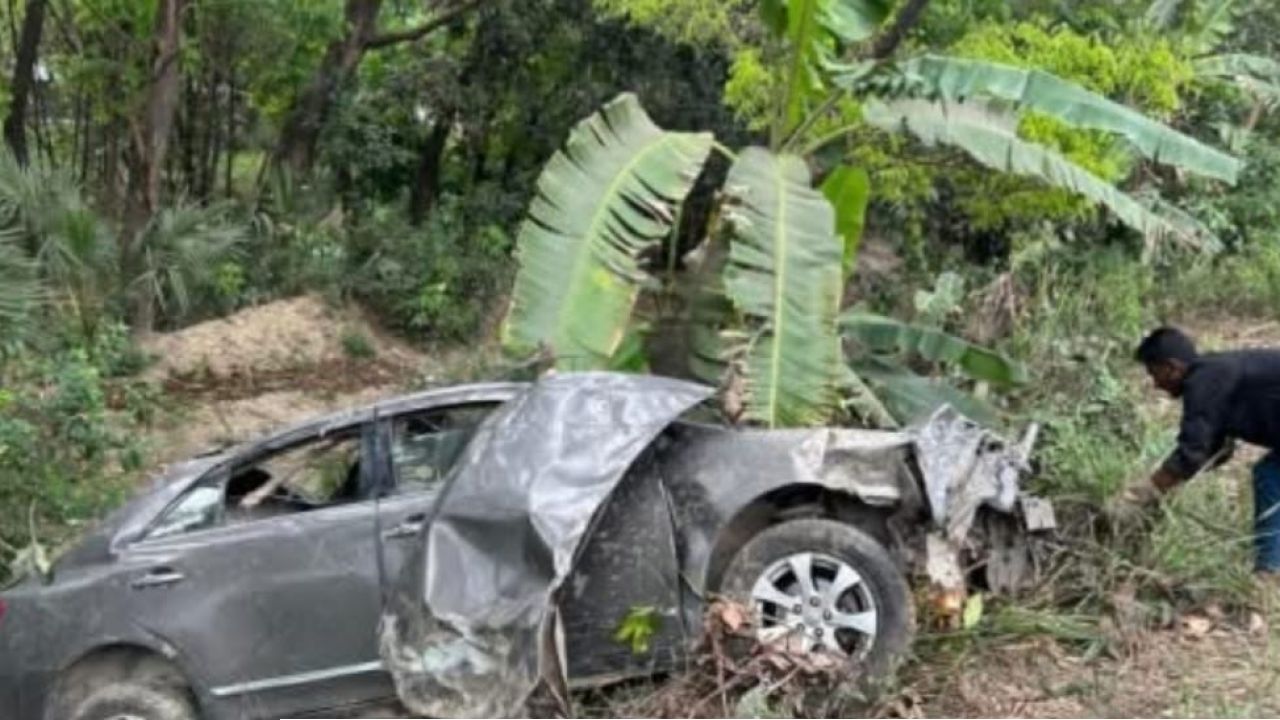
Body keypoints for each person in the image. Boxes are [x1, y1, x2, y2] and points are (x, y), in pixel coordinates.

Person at [1130, 326, 1280, 576]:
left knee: (1270, 477)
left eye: (1154, 373)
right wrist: (1169, 484)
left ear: (1172, 366)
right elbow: (1215, 448)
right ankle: (1270, 567)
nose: (1155, 384)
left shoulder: (1204, 379)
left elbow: (1193, 449)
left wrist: (1143, 493)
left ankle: (1270, 569)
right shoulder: (1215, 374)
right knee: (1270, 475)